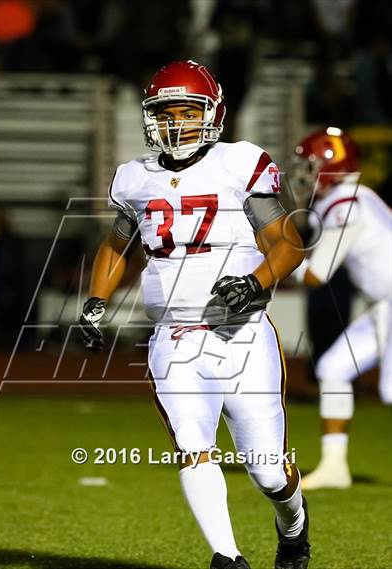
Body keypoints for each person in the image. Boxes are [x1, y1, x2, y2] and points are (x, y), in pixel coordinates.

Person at [80, 60, 310, 569]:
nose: (175, 124)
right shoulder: (135, 178)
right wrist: (95, 303)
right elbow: (116, 246)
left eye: (187, 112)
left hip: (242, 334)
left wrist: (255, 282)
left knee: (268, 471)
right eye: (166, 114)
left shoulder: (239, 163)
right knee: (192, 444)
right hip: (174, 335)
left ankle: (293, 525)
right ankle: (227, 557)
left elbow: (288, 244)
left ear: (212, 114)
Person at [290, 127, 392, 490]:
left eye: (311, 166)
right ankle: (334, 467)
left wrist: (275, 260)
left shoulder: (344, 204)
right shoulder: (356, 195)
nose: (305, 176)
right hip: (384, 305)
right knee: (333, 368)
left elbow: (317, 275)